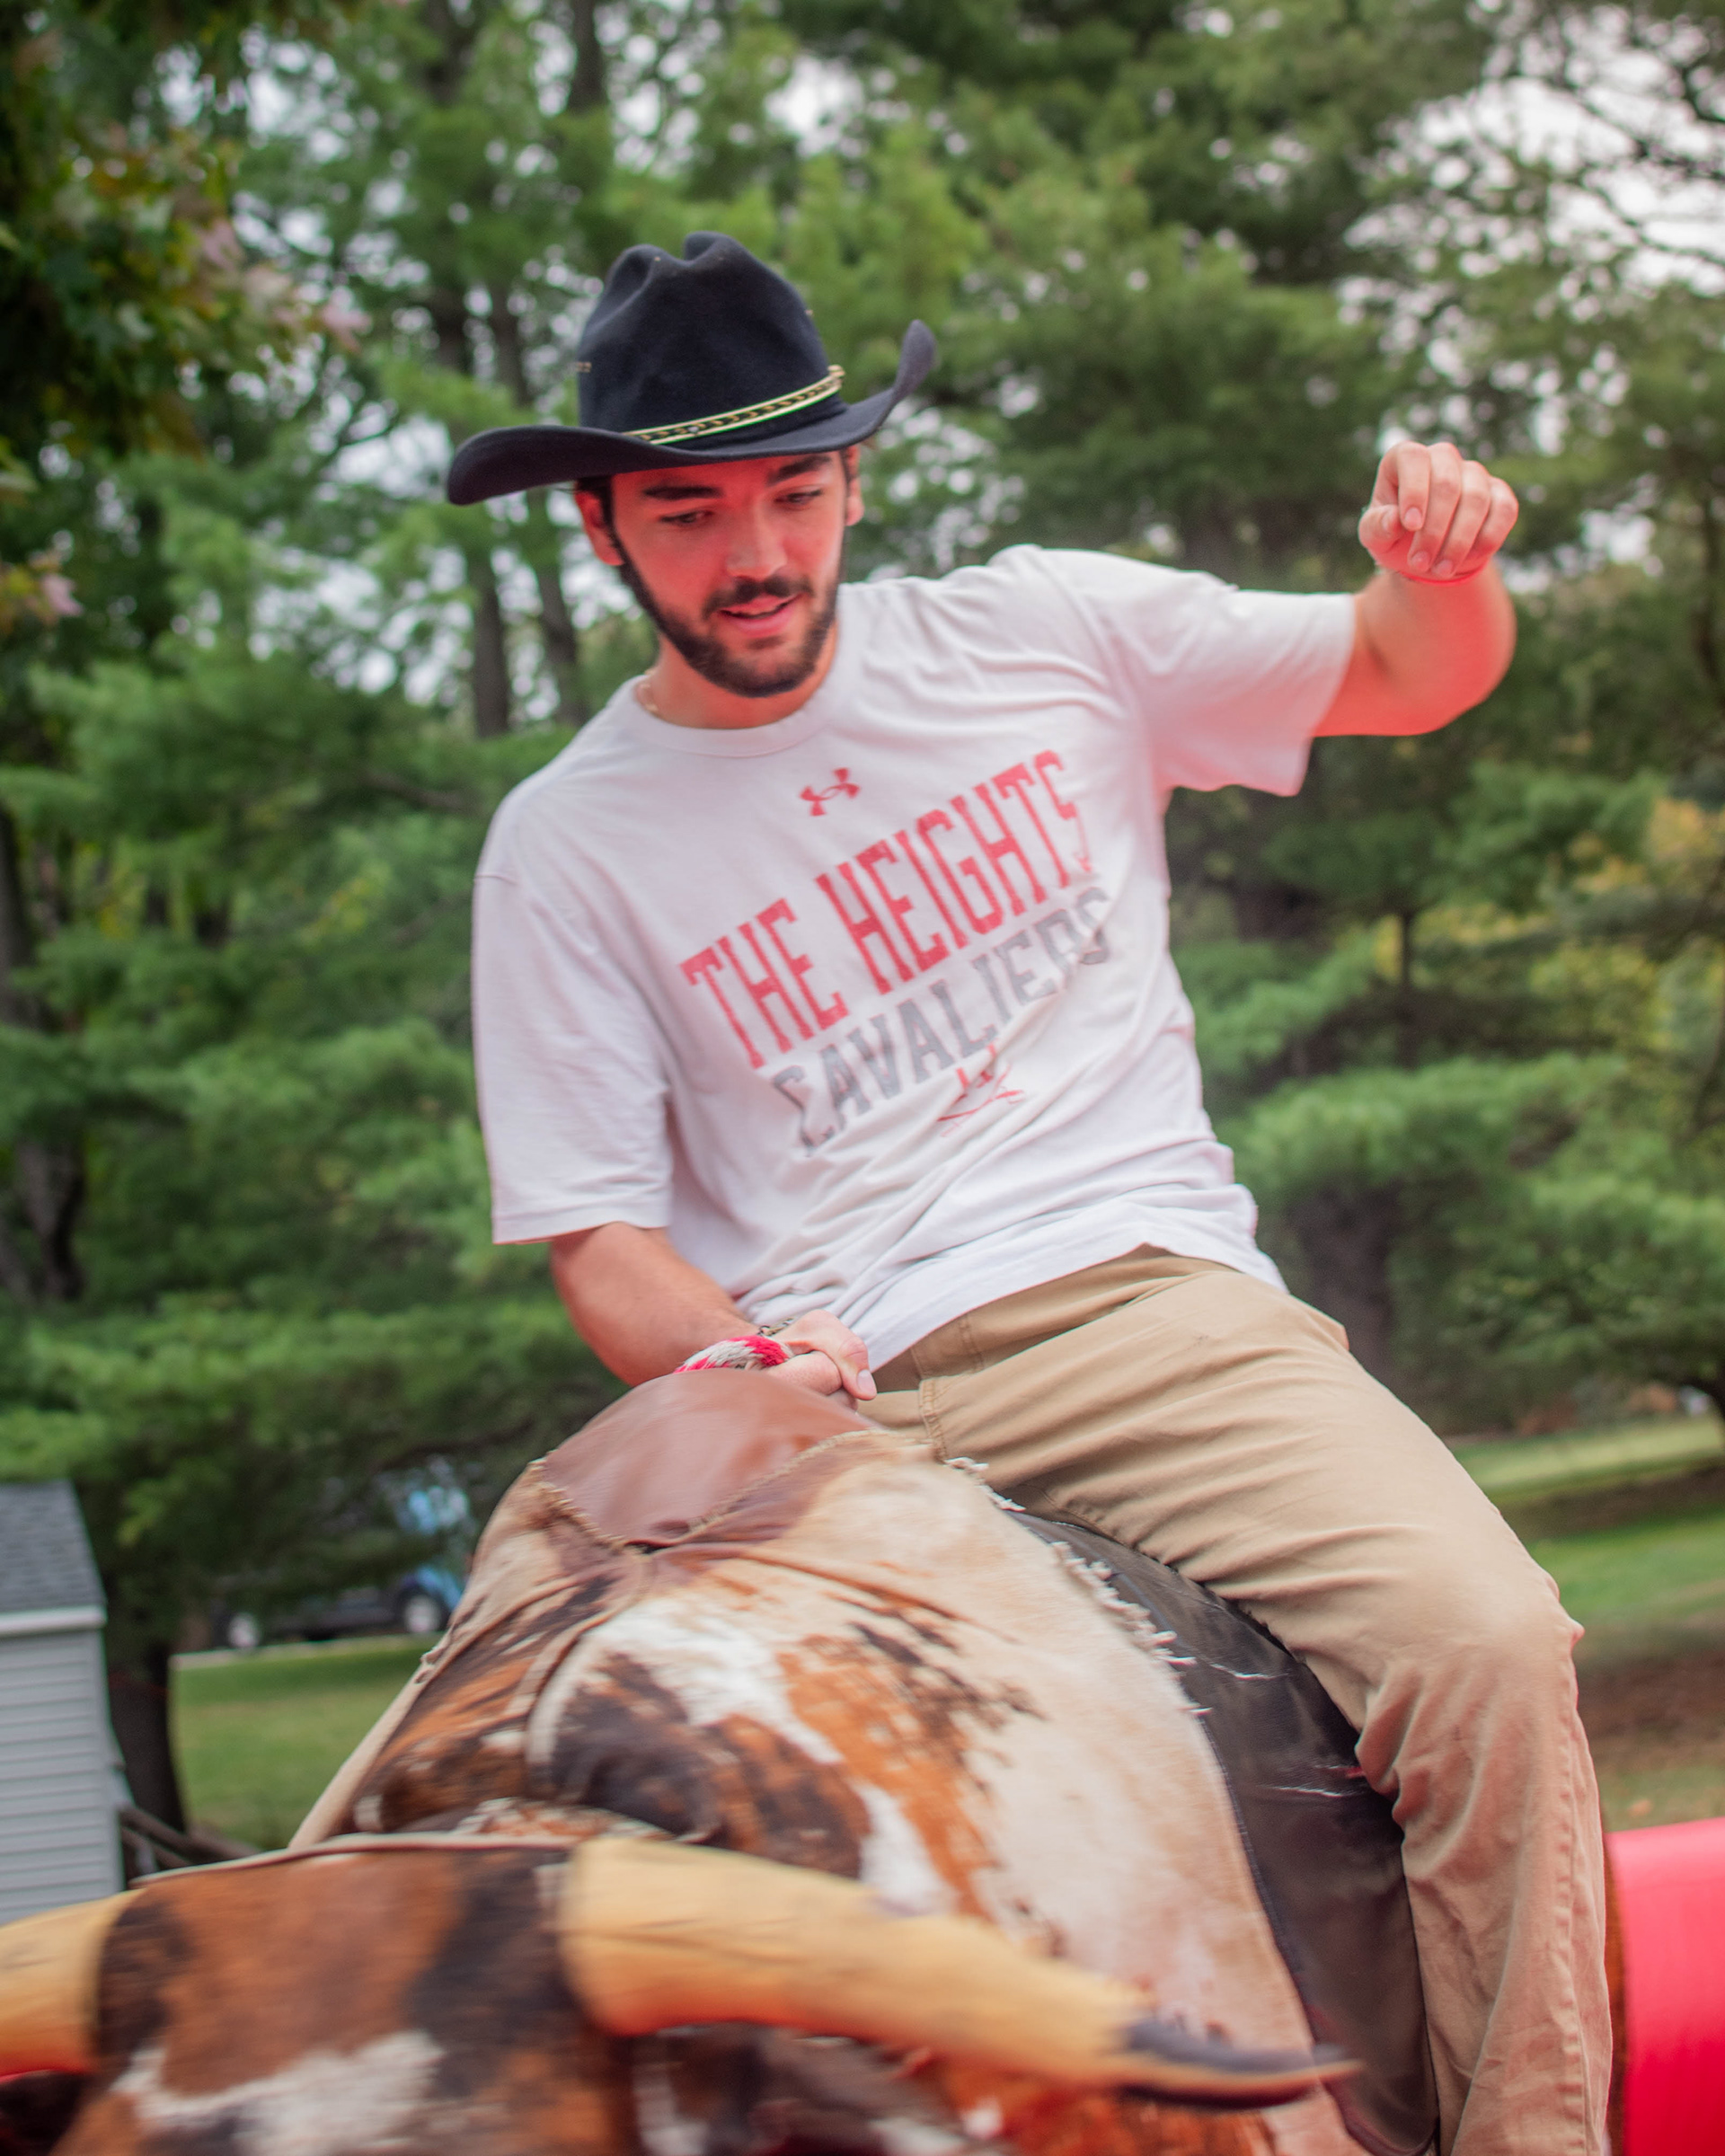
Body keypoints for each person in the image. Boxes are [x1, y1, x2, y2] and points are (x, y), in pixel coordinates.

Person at [452, 232, 1608, 2156]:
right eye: (689, 512)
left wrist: (1442, 571)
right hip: (820, 1404)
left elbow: (1414, 673)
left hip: (1135, 1315)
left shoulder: (1046, 634)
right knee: (522, 1733)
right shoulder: (561, 844)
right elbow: (600, 1241)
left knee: (1486, 1646)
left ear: (852, 484)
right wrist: (733, 1361)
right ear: (602, 530)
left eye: (793, 492)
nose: (756, 552)